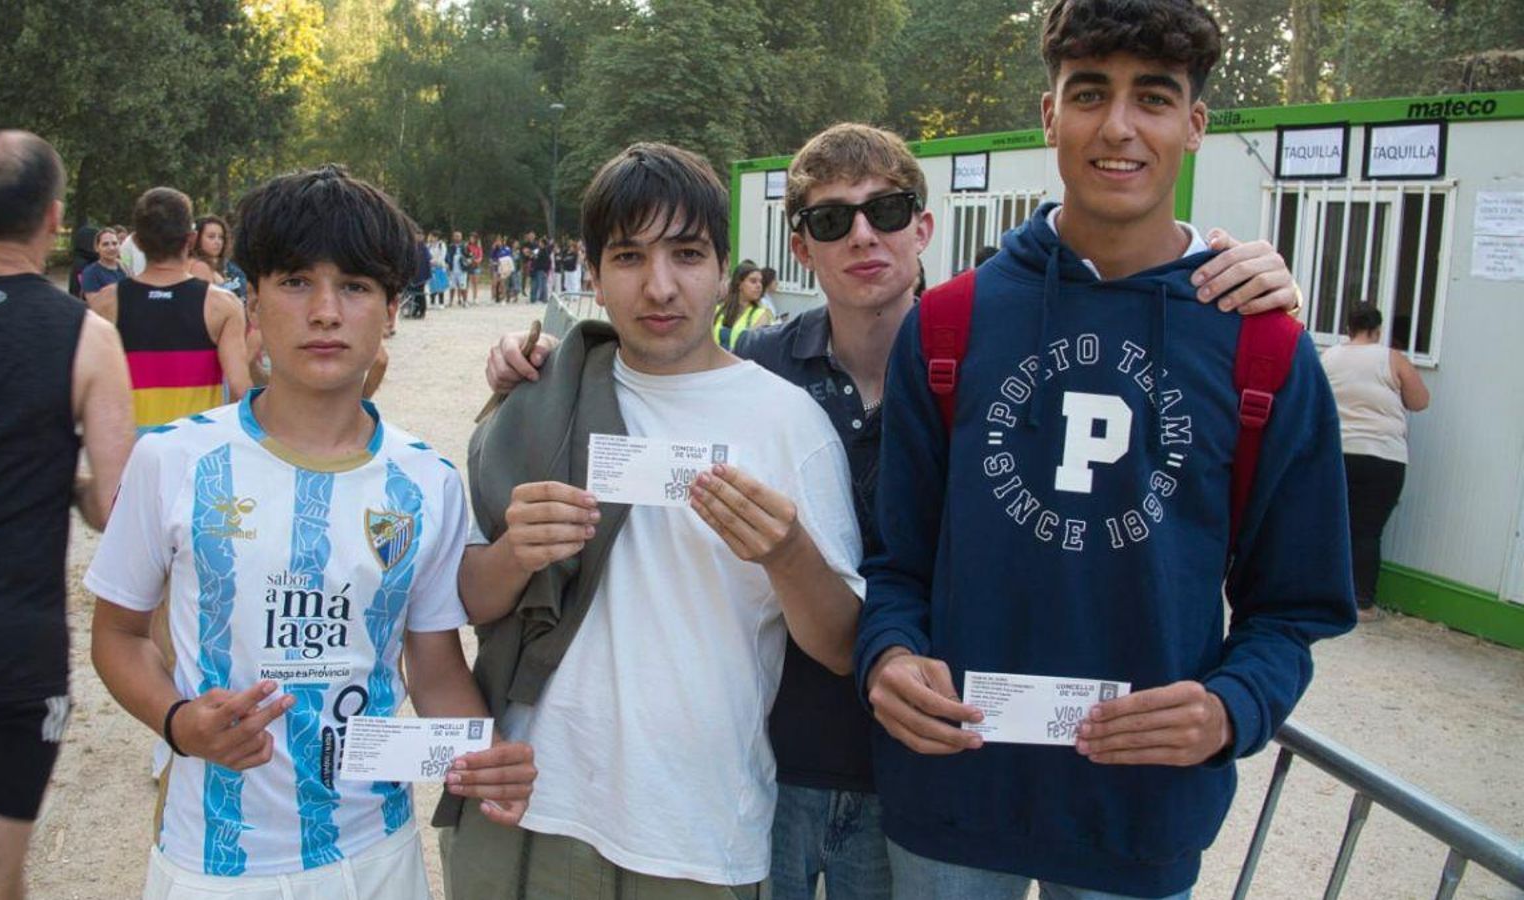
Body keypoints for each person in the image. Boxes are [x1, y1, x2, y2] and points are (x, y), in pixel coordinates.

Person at [482, 121, 1306, 900]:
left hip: (941, 775)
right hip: (785, 760)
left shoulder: (993, 349)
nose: (863, 237)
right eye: (832, 220)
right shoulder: (762, 372)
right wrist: (544, 366)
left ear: (924, 227)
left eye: (886, 211)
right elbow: (663, 367)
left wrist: (1217, 270)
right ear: (798, 245)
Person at [856, 3, 1356, 897]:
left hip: (1139, 821)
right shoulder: (948, 325)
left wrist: (1231, 708)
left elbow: (1297, 605)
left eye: (1153, 99)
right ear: (1050, 113)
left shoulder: (1265, 349)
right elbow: (897, 566)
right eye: (1089, 94)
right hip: (952, 805)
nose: (1118, 127)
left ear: (1195, 126)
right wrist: (889, 657)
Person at [85, 164, 537, 900]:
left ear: (393, 308)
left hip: (376, 859)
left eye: (355, 286)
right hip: (213, 865)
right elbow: (119, 633)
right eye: (296, 281)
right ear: (252, 302)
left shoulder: (425, 481)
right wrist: (176, 721)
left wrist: (487, 754)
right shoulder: (172, 460)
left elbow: (433, 664)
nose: (325, 311)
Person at [437, 142, 865, 899]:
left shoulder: (787, 423)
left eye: (687, 254)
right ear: (593, 273)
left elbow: (839, 647)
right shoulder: (542, 395)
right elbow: (461, 602)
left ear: (725, 269)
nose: (659, 286)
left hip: (696, 831)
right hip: (531, 799)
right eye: (629, 256)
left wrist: (789, 552)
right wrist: (515, 551)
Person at [0, 129, 134, 900]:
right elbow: (117, 505)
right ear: (54, 217)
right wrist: (69, 485)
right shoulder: (86, 337)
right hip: (2, 641)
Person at [89, 187, 251, 431]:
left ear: (138, 241)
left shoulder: (106, 303)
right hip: (197, 450)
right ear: (191, 239)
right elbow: (240, 388)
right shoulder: (222, 305)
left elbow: (94, 389)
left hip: (134, 452)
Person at [1321, 303, 1430, 622]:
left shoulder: (1329, 357)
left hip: (1337, 452)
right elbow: (1420, 401)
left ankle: (1324, 596)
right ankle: (1362, 603)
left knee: (1332, 524)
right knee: (1367, 530)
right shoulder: (1392, 358)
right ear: (1378, 330)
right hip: (1383, 456)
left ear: (1347, 328)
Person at [712, 260, 771, 350]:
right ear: (739, 284)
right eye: (753, 281)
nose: (759, 286)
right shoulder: (718, 310)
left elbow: (753, 349)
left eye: (760, 282)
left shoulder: (761, 314)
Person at [188, 215, 248, 302]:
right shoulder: (197, 267)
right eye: (211, 237)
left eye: (221, 237)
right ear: (197, 238)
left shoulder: (228, 266)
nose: (217, 242)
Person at [81, 226, 128, 305]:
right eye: (105, 244)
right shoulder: (90, 273)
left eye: (115, 243)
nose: (111, 248)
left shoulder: (125, 268)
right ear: (97, 247)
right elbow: (95, 304)